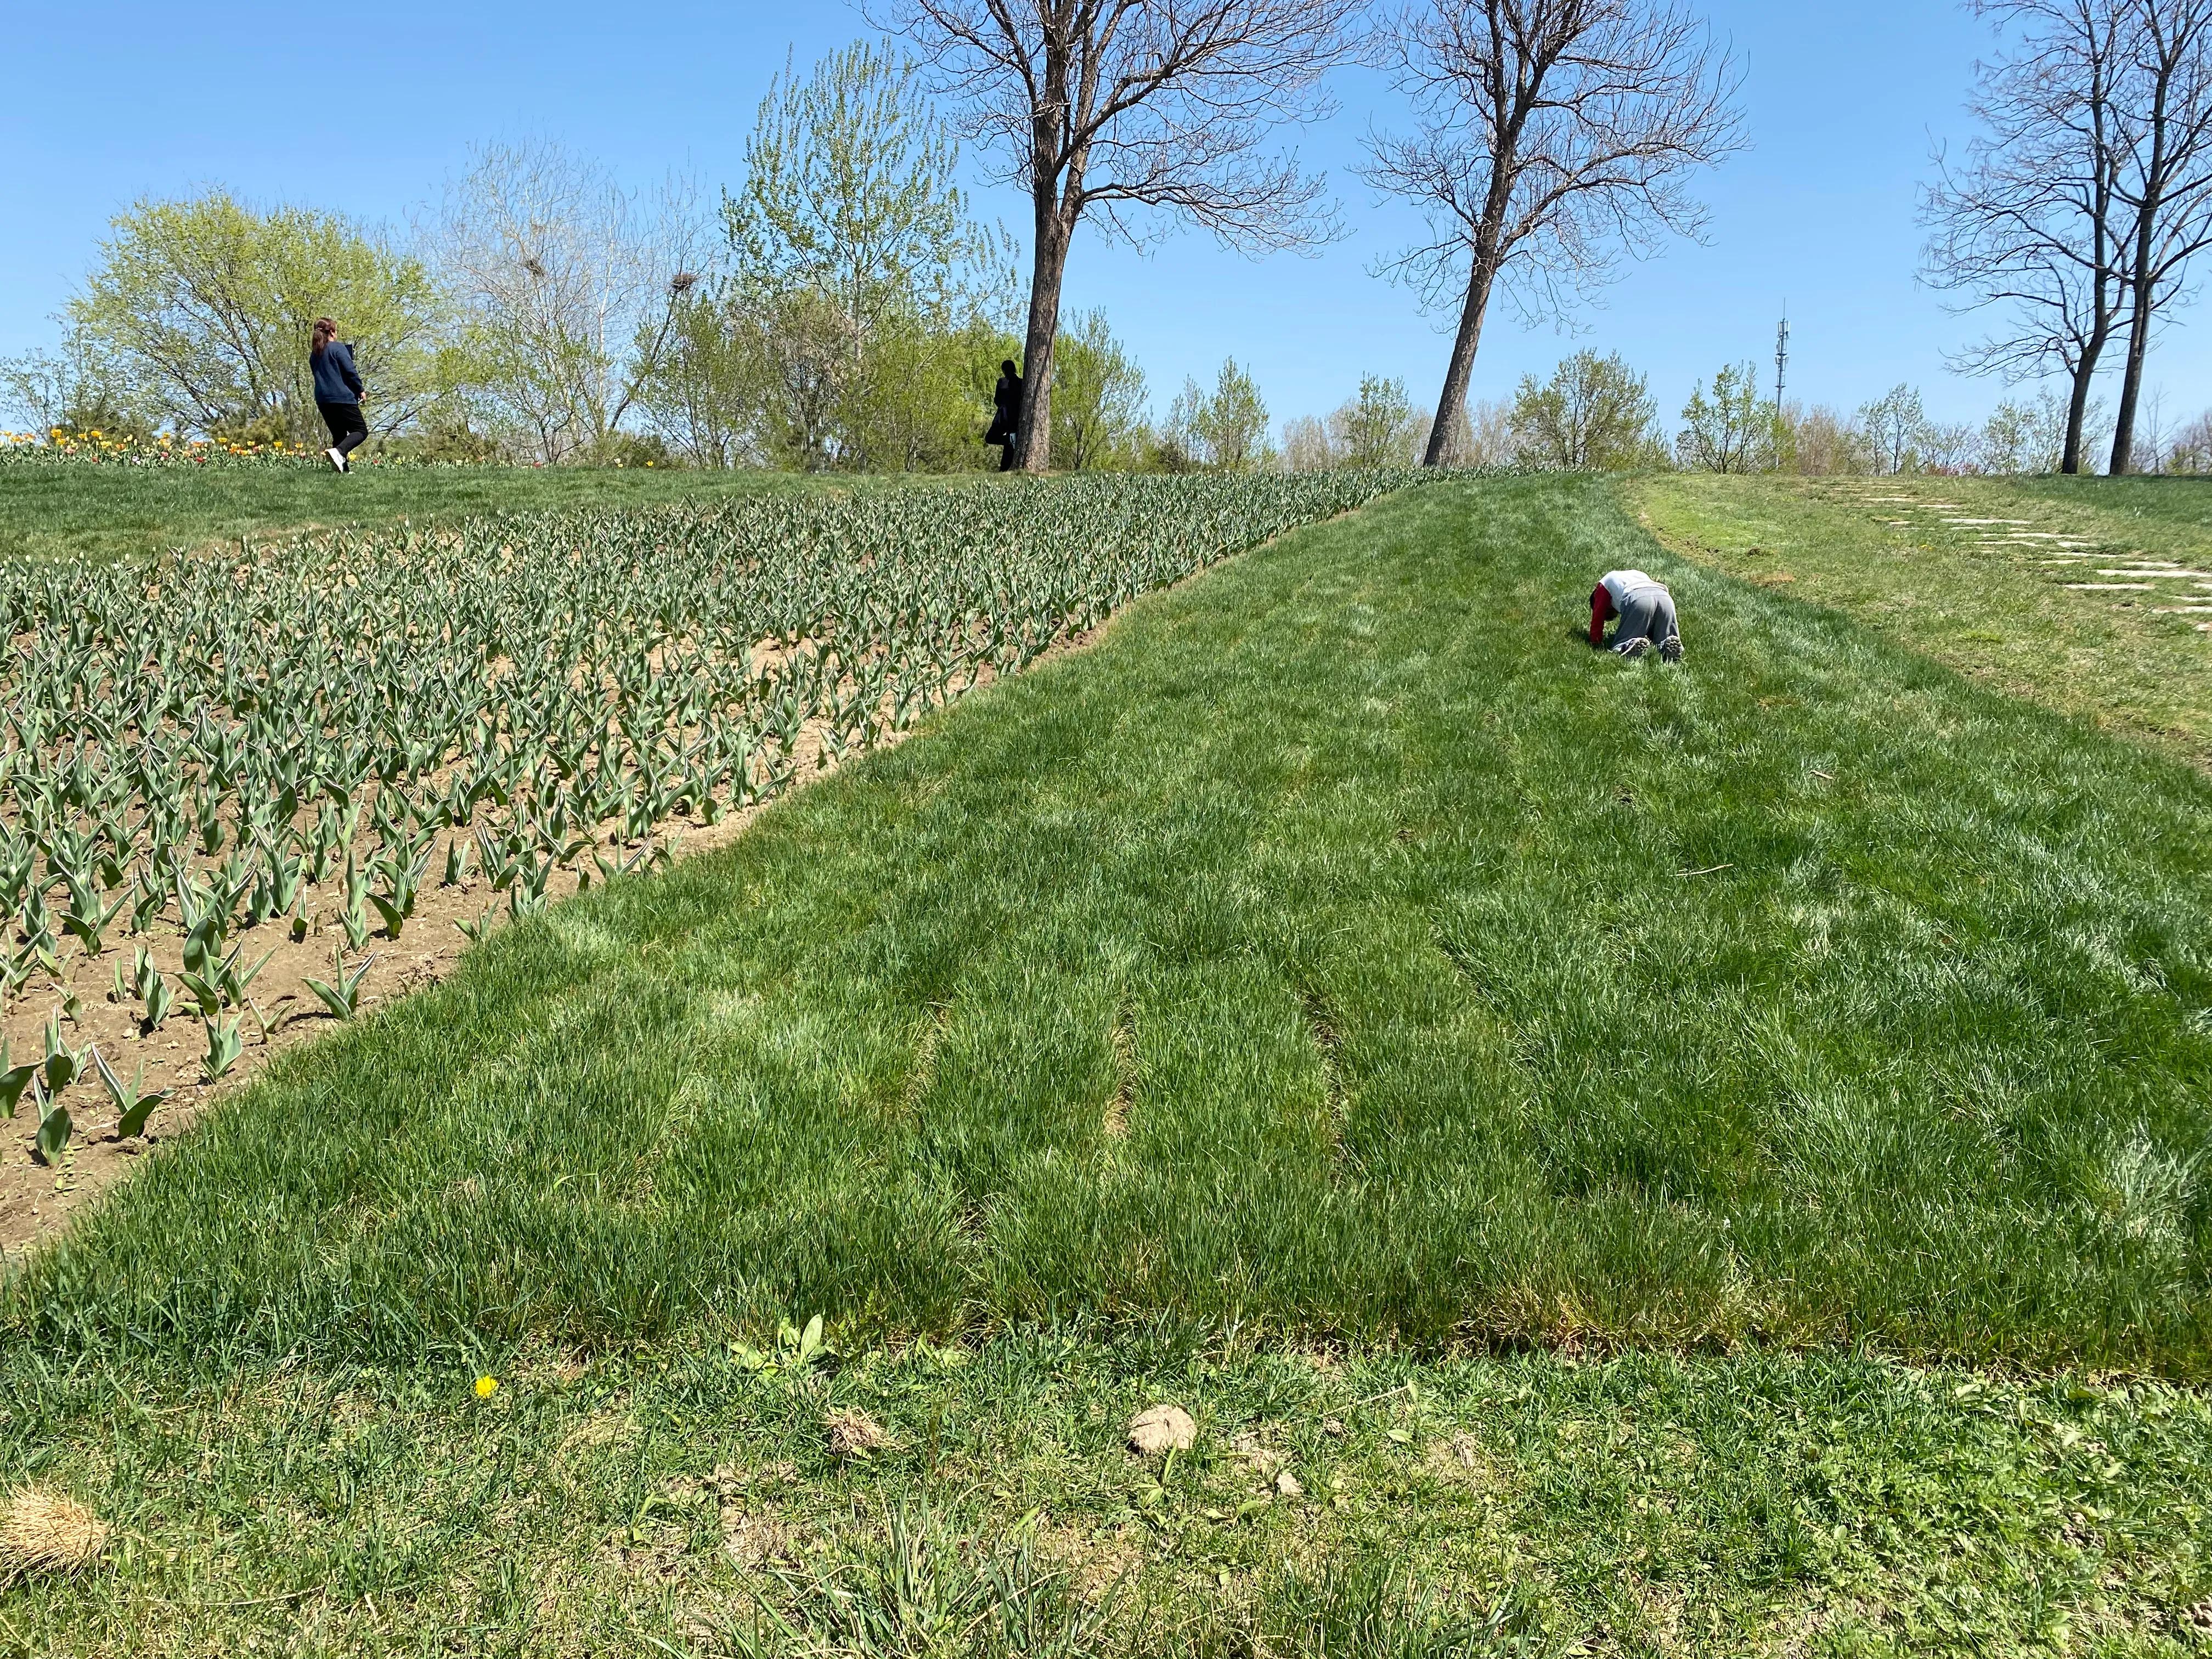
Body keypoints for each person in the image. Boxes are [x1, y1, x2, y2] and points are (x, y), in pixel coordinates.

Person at [310, 317, 367, 472]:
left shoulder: (315, 354)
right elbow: (350, 371)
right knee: (360, 431)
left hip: (323, 400)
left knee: (339, 434)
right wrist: (360, 389)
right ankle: (339, 452)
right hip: (342, 397)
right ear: (332, 332)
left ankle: (342, 470)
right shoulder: (338, 348)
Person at [1589, 568, 1684, 662]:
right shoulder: (1635, 574)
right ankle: (1666, 644)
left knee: (1622, 642)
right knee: (1665, 634)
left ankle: (1628, 645)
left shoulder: (1603, 585)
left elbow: (1598, 617)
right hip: (1665, 598)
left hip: (1638, 599)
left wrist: (1595, 642)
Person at [985, 358, 1023, 473]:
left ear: (1004, 370)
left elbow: (997, 400)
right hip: (1016, 417)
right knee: (1010, 441)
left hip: (1003, 417)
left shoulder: (1002, 382)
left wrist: (1004, 406)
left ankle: (1005, 467)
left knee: (990, 438)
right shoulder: (1021, 382)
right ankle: (1005, 467)